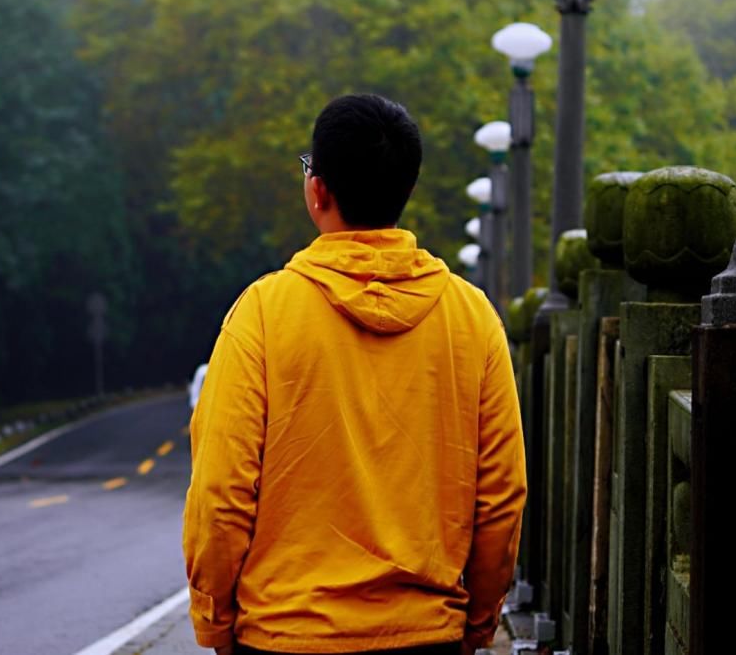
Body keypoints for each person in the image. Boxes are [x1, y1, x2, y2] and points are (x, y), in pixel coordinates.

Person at [183, 94, 527, 655]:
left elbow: (221, 489)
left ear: (318, 190)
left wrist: (216, 622)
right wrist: (479, 623)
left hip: (286, 633)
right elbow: (501, 496)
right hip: (426, 630)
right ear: (405, 190)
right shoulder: (471, 317)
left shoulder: (264, 313)